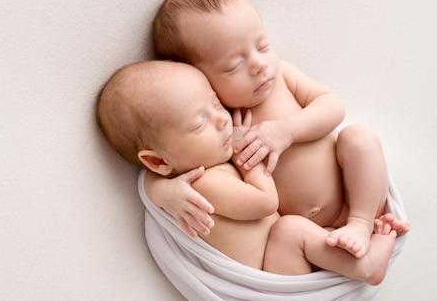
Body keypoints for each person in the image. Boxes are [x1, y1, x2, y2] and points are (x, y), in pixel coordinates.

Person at [149, 0, 409, 259]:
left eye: (262, 46)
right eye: (234, 66)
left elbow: (332, 107)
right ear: (199, 79)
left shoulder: (282, 77)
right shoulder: (219, 123)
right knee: (285, 230)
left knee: (360, 137)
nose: (259, 64)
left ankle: (363, 223)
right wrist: (163, 192)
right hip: (307, 234)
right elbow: (171, 167)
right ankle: (362, 244)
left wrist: (287, 130)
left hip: (353, 195)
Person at [97, 59, 400, 284]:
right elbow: (266, 202)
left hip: (303, 247)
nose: (222, 120)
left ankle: (356, 230)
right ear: (159, 161)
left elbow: (151, 181)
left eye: (217, 104)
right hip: (280, 270)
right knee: (289, 229)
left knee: (358, 141)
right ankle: (366, 268)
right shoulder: (205, 183)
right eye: (199, 124)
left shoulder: (204, 165)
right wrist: (247, 162)